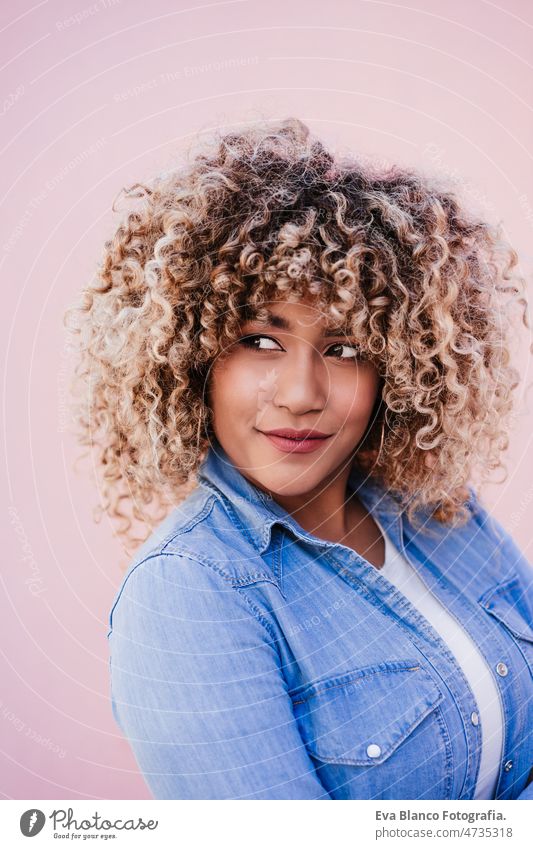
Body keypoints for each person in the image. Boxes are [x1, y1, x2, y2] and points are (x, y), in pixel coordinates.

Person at [66, 118, 533, 800]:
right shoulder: (190, 596)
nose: (300, 394)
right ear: (195, 358)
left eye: (344, 349)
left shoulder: (438, 508)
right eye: (260, 340)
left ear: (397, 373)